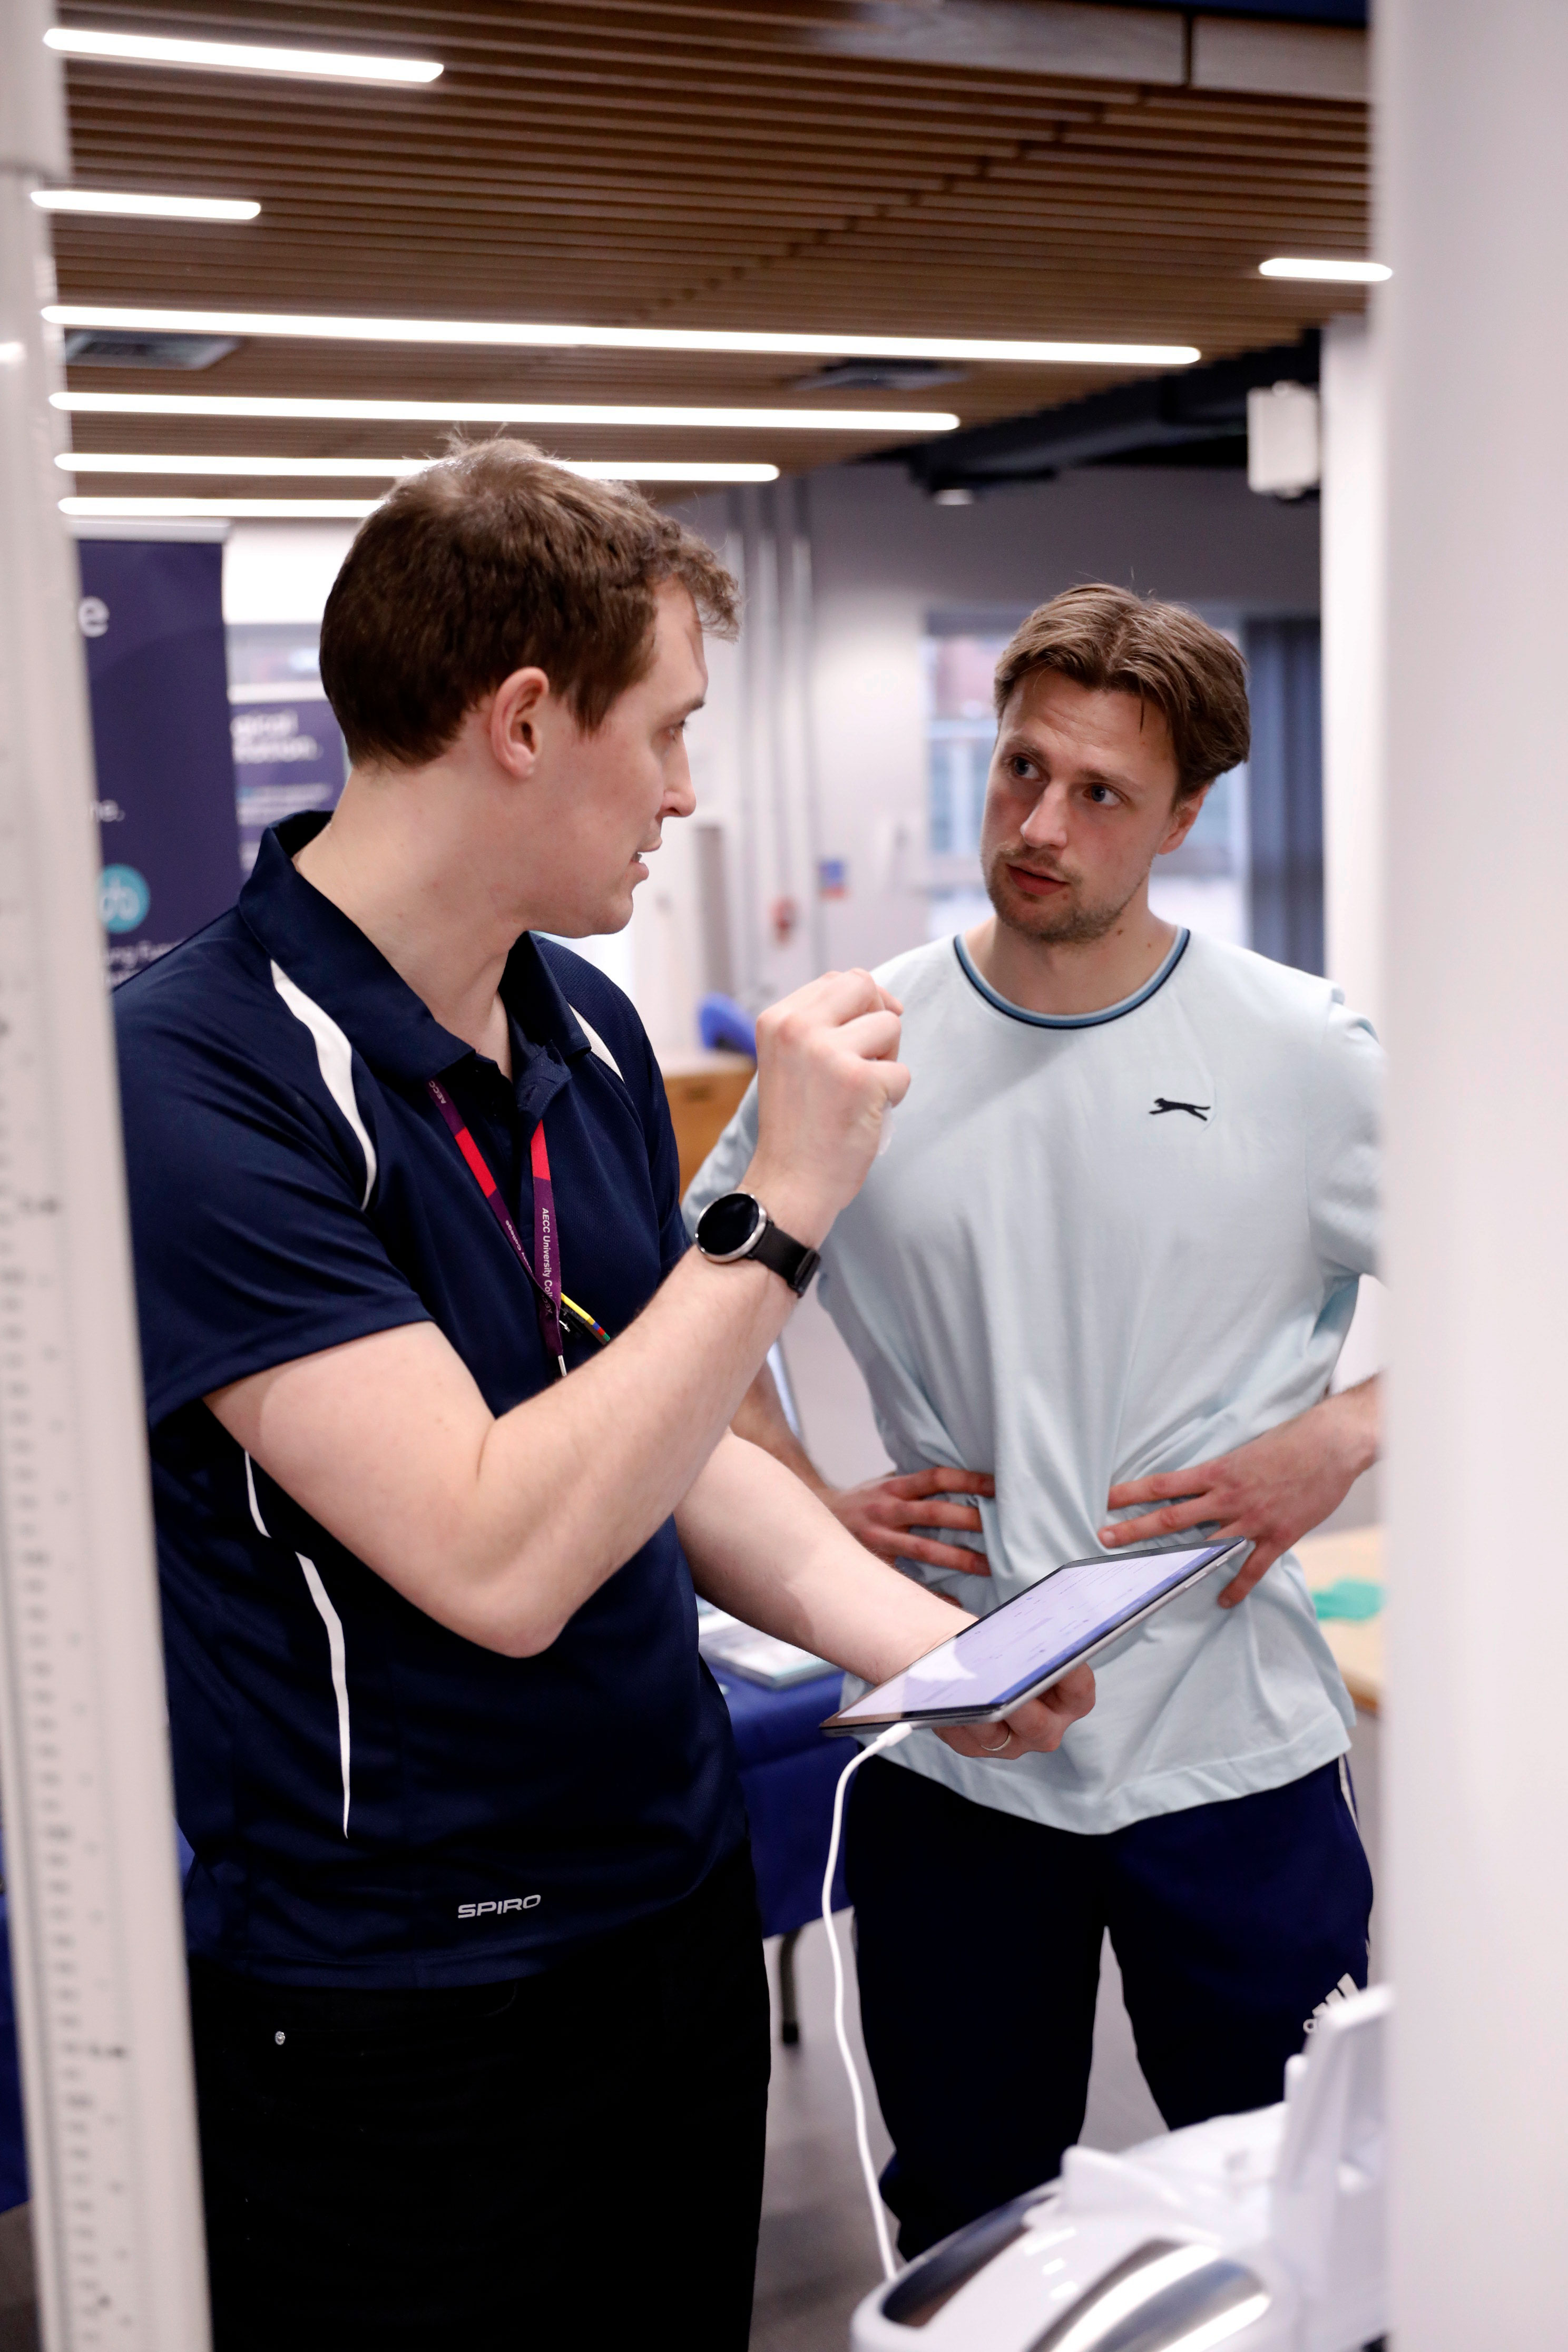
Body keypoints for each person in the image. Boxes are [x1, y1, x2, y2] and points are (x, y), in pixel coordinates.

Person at [113, 442, 1095, 2349]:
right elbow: (499, 1551)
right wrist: (787, 1206)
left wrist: (929, 1648)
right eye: (665, 733)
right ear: (524, 720)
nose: (684, 792)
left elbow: (663, 1441)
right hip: (398, 2004)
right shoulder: (200, 1078)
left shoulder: (578, 1024)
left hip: (662, 1911)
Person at [685, 583, 1380, 2258]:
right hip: (958, 1763)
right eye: (1018, 772)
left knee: (1301, 2227)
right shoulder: (853, 1052)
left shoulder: (1307, 1051)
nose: (1038, 825)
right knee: (966, 2228)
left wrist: (1342, 1438)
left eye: (1099, 795)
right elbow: (681, 1328)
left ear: (1186, 815)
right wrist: (808, 1506)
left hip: (1234, 1755)